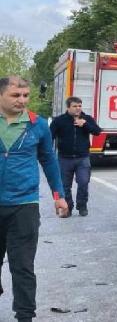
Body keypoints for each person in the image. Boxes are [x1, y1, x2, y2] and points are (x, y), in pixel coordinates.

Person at [0, 76, 69, 322]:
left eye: (25, 96)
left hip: (24, 205)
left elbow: (49, 161)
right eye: (15, 95)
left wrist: (58, 195)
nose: (22, 100)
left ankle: (25, 316)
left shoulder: (37, 125)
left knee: (22, 266)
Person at [49, 96, 102, 217]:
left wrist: (85, 124)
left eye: (79, 106)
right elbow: (49, 136)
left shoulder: (87, 119)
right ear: (68, 107)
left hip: (82, 158)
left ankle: (82, 205)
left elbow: (97, 131)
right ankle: (68, 207)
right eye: (75, 106)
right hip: (64, 158)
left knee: (83, 182)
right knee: (65, 185)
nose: (78, 108)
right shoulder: (59, 120)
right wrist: (48, 153)